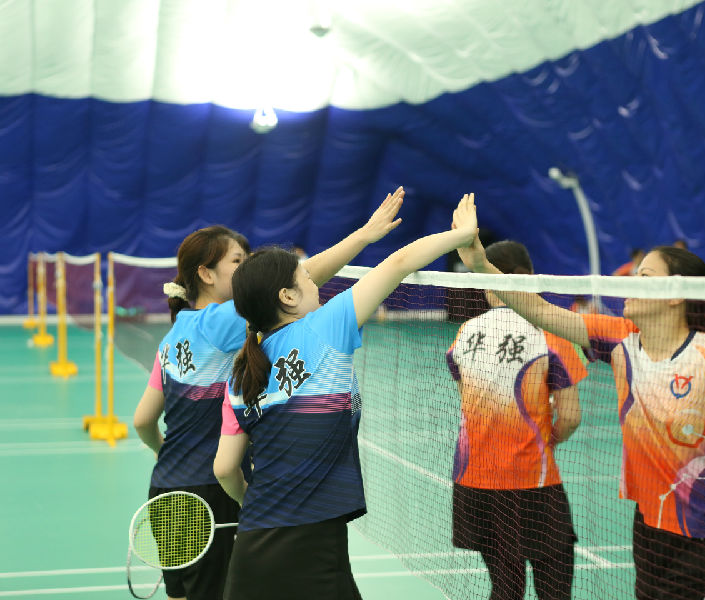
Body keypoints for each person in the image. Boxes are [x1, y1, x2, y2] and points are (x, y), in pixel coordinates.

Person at [455, 224, 705, 599]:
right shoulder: (620, 341)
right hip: (647, 531)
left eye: (645, 277)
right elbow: (539, 310)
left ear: (675, 295)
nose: (630, 283)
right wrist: (481, 265)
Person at [132, 188, 408, 600]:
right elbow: (301, 276)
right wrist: (364, 236)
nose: (246, 268)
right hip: (213, 495)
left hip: (165, 488)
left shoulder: (172, 337)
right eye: (237, 261)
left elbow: (142, 420)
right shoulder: (223, 321)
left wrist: (165, 454)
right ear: (206, 274)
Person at [213, 193, 479, 600]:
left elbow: (224, 468)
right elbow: (399, 263)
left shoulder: (241, 372)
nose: (314, 282)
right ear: (287, 296)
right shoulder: (327, 326)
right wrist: (463, 234)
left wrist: (250, 502)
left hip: (251, 547)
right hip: (312, 546)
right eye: (305, 277)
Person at [446, 240, 586, 600]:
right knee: (554, 589)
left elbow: (465, 396)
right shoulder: (550, 334)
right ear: (527, 276)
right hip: (530, 481)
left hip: (474, 481)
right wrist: (549, 440)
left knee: (505, 589)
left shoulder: (465, 333)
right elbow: (570, 416)